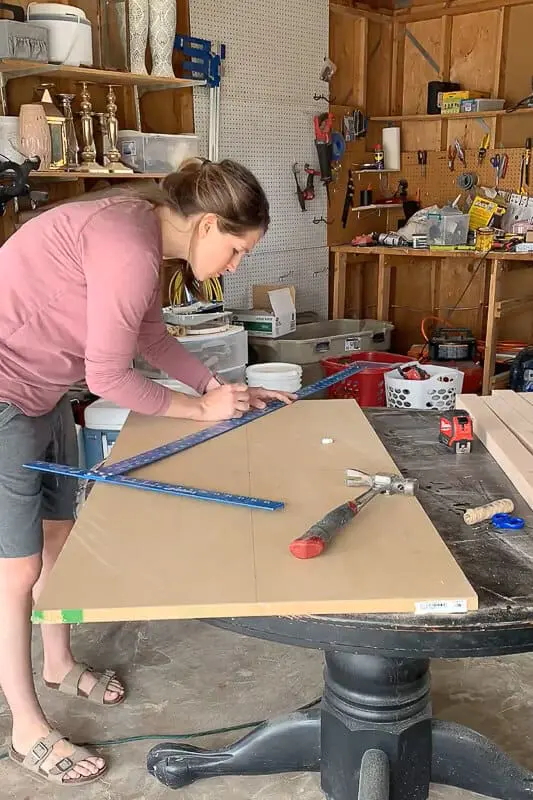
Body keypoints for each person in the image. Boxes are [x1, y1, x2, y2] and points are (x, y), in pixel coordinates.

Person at [0, 157, 293, 785]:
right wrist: (199, 410)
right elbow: (109, 376)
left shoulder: (144, 236)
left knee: (57, 536)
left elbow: (152, 340)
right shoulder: (128, 245)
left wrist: (219, 390)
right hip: (3, 392)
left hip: (45, 391)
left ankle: (58, 664)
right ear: (208, 224)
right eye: (237, 250)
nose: (235, 266)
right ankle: (25, 727)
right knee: (15, 569)